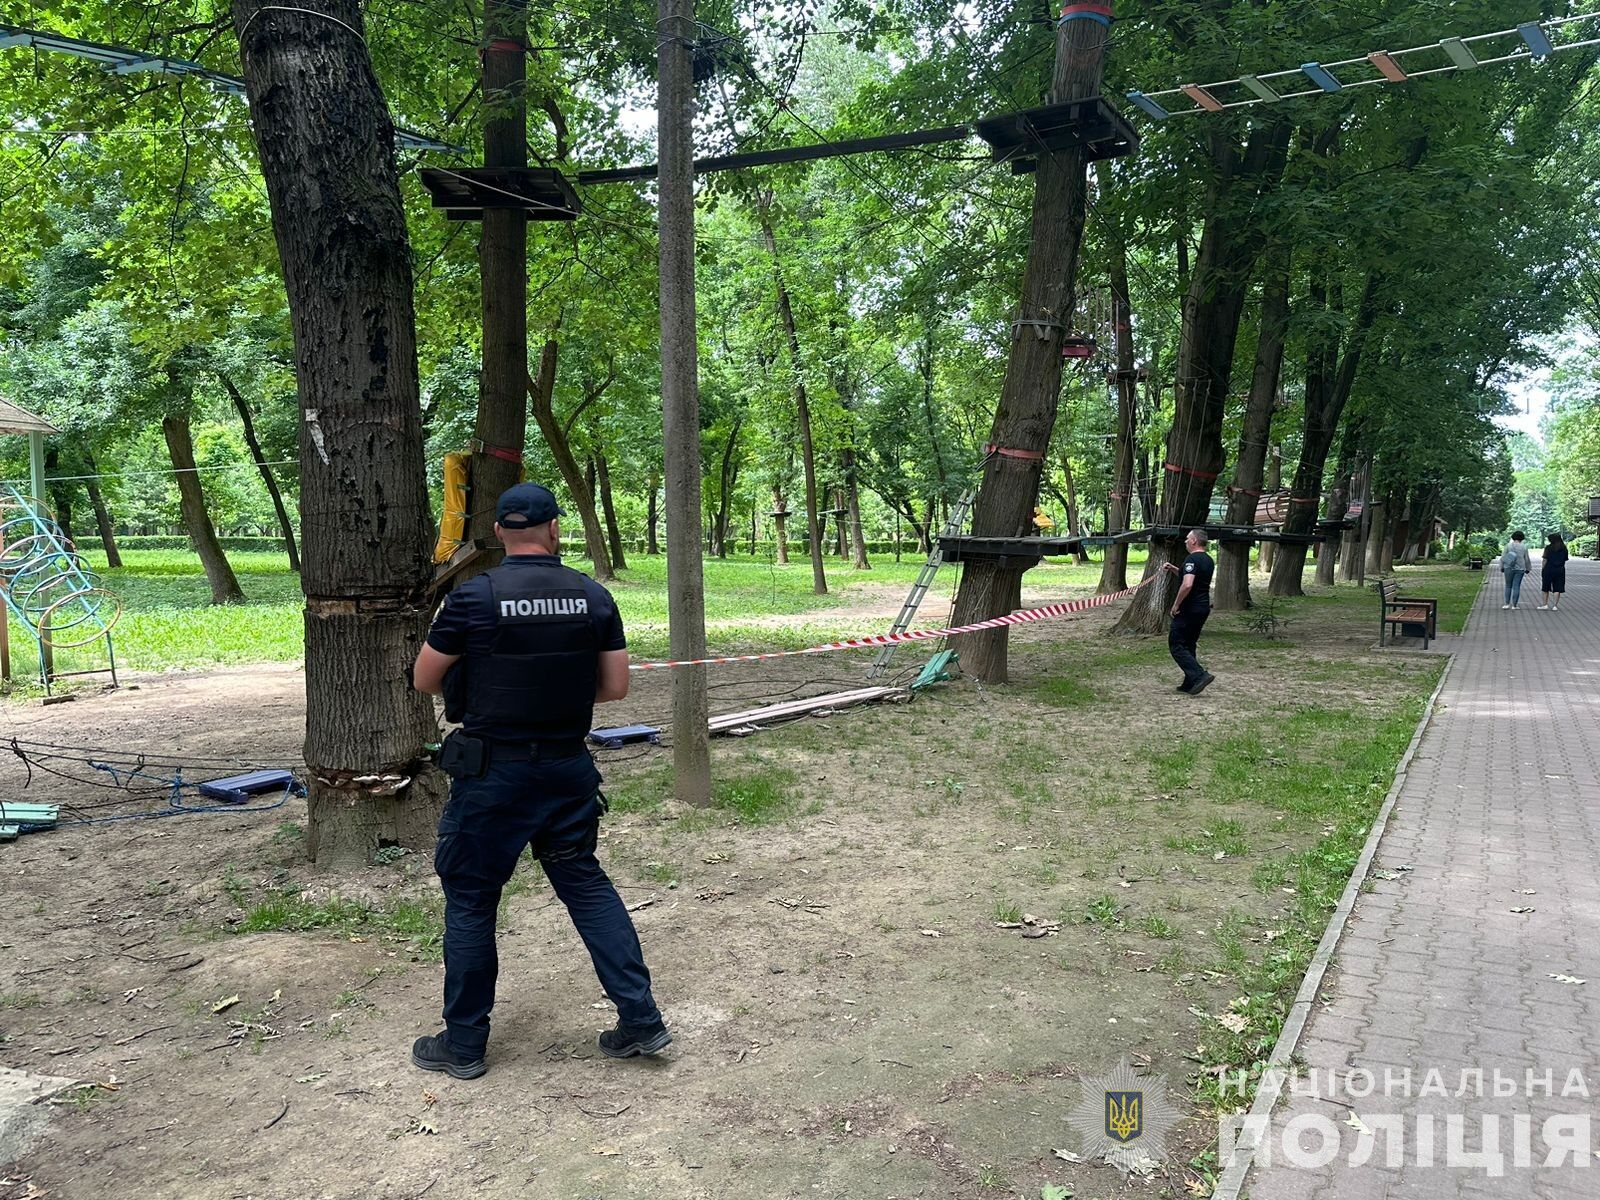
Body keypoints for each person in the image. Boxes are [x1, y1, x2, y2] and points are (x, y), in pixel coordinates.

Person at [409, 482, 669, 1079]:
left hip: (492, 775)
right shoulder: (593, 596)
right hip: (565, 770)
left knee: (472, 901)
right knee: (584, 884)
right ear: (555, 531)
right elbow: (615, 688)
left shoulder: (472, 598)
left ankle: (465, 1045)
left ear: (500, 533)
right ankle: (641, 1019)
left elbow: (426, 680)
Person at [1161, 529, 1215, 695]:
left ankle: (1199, 675)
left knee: (1176, 644)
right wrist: (1174, 569)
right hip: (1202, 607)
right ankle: (1190, 682)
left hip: (1189, 608)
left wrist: (1176, 605)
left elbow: (1188, 584)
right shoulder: (1208, 560)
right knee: (1189, 644)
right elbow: (1190, 577)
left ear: (1193, 541)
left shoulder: (1192, 559)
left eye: (1187, 539)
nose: (1185, 541)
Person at [1501, 531, 1532, 610]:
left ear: (1513, 537)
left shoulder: (1508, 546)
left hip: (1508, 567)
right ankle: (1514, 605)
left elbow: (1503, 557)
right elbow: (1527, 559)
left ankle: (1507, 604)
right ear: (1522, 538)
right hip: (1520, 569)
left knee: (1508, 586)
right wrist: (1528, 568)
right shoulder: (1524, 547)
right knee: (1516, 586)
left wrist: (1501, 567)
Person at [1539, 532, 1569, 611]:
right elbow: (1565, 559)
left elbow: (1545, 559)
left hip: (1548, 569)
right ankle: (1555, 606)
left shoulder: (1548, 548)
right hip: (1560, 570)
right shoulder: (1564, 548)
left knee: (1545, 587)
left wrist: (1543, 568)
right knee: (1557, 587)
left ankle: (1545, 604)